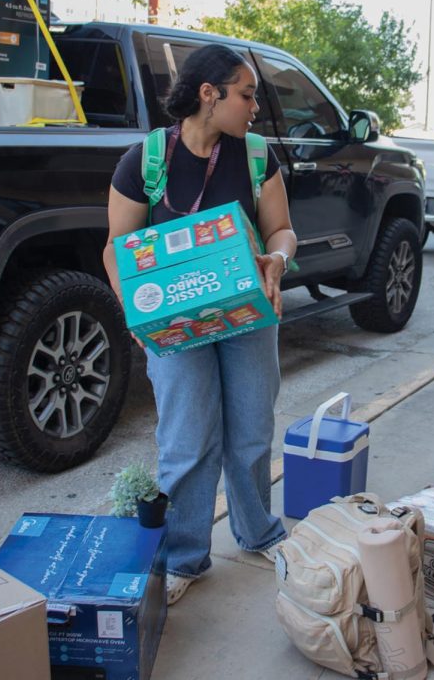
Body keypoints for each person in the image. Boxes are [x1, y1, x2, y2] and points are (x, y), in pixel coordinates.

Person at [102, 44, 296, 605]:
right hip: (174, 321)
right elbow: (118, 249)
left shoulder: (256, 155)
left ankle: (258, 531)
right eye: (246, 93)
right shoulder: (146, 161)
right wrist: (137, 315)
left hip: (246, 315)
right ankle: (185, 555)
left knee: (252, 428)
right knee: (187, 439)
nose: (254, 105)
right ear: (208, 95)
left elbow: (281, 229)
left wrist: (275, 261)